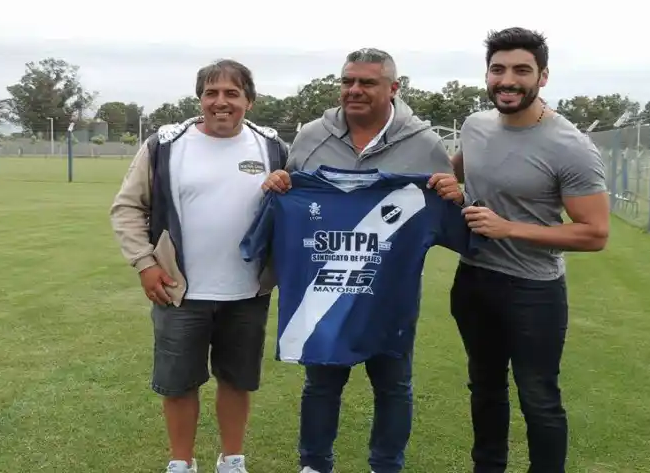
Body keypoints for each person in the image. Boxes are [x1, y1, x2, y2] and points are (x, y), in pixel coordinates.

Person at [261, 47, 463, 473]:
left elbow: (449, 215)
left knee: (393, 386)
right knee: (321, 384)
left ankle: (386, 465)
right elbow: (291, 192)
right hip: (325, 290)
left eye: (367, 82)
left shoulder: (423, 145)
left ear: (393, 88)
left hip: (388, 294)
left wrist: (453, 195)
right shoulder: (311, 136)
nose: (354, 90)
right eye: (348, 81)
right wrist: (281, 184)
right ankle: (314, 465)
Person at [439, 28, 610, 473]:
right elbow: (455, 173)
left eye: (521, 70)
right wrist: (446, 181)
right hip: (473, 279)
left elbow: (594, 233)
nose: (507, 80)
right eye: (498, 69)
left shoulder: (569, 146)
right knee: (485, 388)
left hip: (533, 291)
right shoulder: (475, 127)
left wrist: (508, 227)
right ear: (487, 75)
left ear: (543, 76)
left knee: (539, 397)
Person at [109, 59, 289, 473]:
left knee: (237, 380)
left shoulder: (273, 147)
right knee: (178, 384)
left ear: (249, 100)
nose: (221, 102)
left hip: (247, 292)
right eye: (211, 93)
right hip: (178, 290)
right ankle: (181, 462)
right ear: (200, 99)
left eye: (232, 93)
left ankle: (232, 460)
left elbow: (298, 208)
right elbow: (127, 207)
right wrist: (144, 263)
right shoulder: (166, 145)